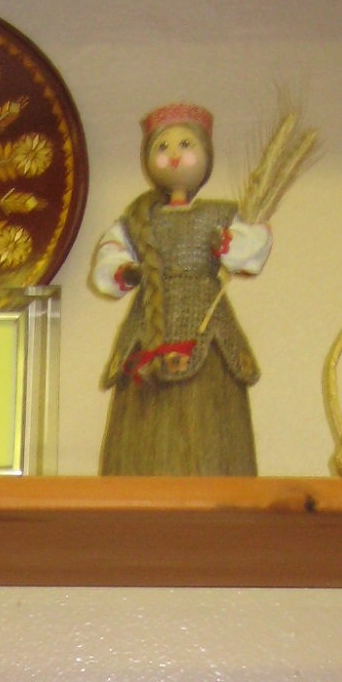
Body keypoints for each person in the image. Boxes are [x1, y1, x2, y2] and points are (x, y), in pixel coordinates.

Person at [90, 102, 269, 476]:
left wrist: (229, 246)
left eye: (185, 144)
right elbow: (110, 257)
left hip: (208, 329)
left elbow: (254, 246)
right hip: (146, 327)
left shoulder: (220, 214)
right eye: (162, 146)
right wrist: (123, 272)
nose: (173, 154)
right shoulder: (138, 221)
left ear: (206, 153)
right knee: (145, 422)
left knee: (206, 415)